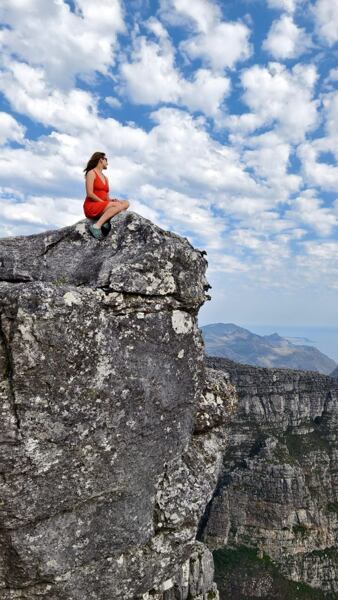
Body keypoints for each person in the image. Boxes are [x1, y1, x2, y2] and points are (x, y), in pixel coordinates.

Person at [83, 152, 129, 240]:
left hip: (103, 205)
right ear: (101, 160)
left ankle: (106, 221)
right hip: (92, 206)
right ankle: (96, 226)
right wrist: (105, 203)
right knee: (116, 205)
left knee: (126, 203)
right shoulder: (91, 173)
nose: (107, 163)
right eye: (106, 160)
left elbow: (106, 197)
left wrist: (111, 200)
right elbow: (90, 194)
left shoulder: (105, 178)